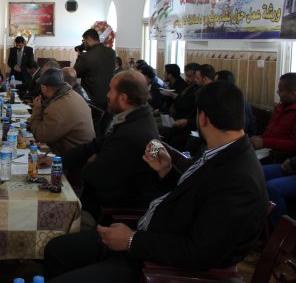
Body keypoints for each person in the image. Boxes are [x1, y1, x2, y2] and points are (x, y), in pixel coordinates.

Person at [44, 80, 268, 283]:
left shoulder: (239, 179)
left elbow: (201, 252)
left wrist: (132, 241)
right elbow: (194, 199)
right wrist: (167, 173)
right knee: (56, 249)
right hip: (148, 237)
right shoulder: (218, 151)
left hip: (155, 262)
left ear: (202, 118)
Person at [41, 70, 160, 223]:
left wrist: (92, 162)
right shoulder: (134, 117)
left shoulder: (132, 133)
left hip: (108, 212)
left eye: (111, 90)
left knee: (44, 215)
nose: (107, 95)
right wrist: (58, 160)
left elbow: (95, 176)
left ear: (123, 98)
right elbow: (94, 146)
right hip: (99, 198)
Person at [29, 68, 95, 154]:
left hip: (76, 156)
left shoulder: (57, 107)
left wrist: (37, 108)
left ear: (45, 88)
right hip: (83, 150)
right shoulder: (71, 94)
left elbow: (40, 136)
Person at [251, 72, 296, 153]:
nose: (277, 92)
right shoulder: (280, 107)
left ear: (293, 94)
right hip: (267, 150)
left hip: (282, 156)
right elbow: (271, 132)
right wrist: (259, 138)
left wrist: (264, 142)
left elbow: (294, 145)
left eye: (281, 90)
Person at [74, 28, 116, 110]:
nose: (84, 44)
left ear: (89, 39)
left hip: (92, 100)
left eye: (84, 41)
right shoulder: (112, 53)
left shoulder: (86, 56)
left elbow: (75, 73)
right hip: (109, 97)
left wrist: (79, 56)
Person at [214, 70, 255, 135]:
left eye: (215, 83)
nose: (213, 86)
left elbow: (240, 130)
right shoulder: (224, 98)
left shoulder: (238, 103)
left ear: (222, 85)